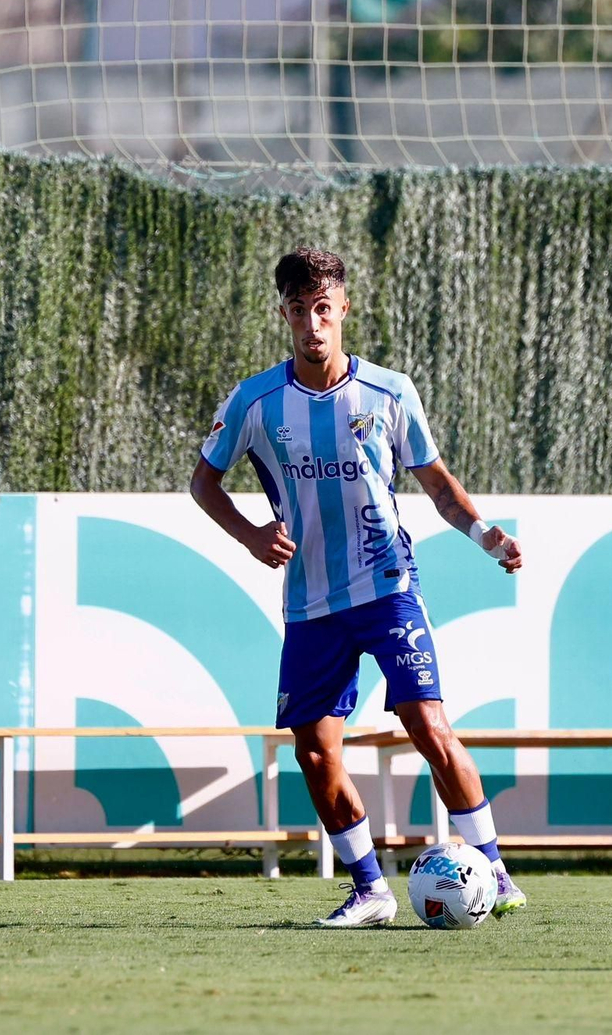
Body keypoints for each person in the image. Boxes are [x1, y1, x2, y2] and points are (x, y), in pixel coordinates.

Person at [189, 247, 526, 927]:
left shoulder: (389, 392)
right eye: (299, 310)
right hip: (311, 603)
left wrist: (485, 534)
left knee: (427, 725)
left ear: (343, 308)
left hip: (387, 585)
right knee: (315, 751)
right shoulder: (256, 400)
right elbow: (204, 483)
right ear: (284, 314)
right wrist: (252, 535)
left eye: (323, 308)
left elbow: (437, 485)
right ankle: (371, 889)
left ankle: (494, 869)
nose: (312, 324)